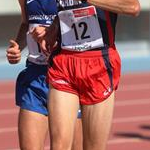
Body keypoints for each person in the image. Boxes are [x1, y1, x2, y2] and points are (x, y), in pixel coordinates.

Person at [39, 0, 141, 150]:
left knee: (93, 147)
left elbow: (133, 7)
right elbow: (68, 9)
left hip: (99, 64)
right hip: (65, 62)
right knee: (59, 145)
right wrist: (53, 29)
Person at [6, 0, 82, 150]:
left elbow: (82, 22)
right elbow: (26, 22)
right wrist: (18, 47)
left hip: (66, 76)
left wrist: (52, 32)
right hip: (35, 76)